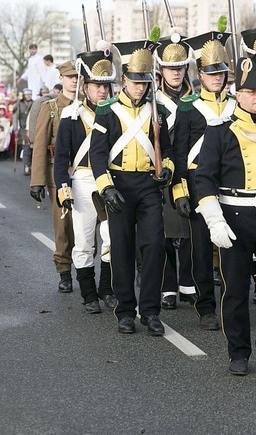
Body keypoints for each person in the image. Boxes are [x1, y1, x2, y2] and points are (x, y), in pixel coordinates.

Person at [195, 53, 256, 377]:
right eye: (252, 93)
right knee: (235, 288)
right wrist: (214, 220)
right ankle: (238, 351)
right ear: (238, 95)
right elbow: (204, 177)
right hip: (233, 218)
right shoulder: (220, 130)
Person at [89, 36, 174, 336]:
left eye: (145, 83)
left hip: (149, 185)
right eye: (135, 82)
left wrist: (169, 170)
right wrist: (106, 187)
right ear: (124, 80)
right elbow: (97, 154)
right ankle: (125, 310)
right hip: (119, 184)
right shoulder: (107, 111)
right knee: (122, 249)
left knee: (154, 246)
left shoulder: (158, 111)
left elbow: (169, 149)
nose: (140, 88)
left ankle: (150, 311)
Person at [171, 25, 234, 327]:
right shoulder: (188, 107)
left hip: (231, 183)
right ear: (200, 75)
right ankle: (206, 306)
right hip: (197, 183)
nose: (216, 78)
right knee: (199, 247)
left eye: (220, 73)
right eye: (210, 73)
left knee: (231, 245)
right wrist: (180, 190)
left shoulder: (237, 106)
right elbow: (179, 152)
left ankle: (231, 303)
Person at [52, 44, 116, 314]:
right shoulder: (71, 116)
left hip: (111, 181)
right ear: (84, 87)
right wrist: (63, 190)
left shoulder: (116, 113)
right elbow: (61, 159)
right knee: (84, 241)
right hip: (83, 181)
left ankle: (107, 289)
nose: (102, 91)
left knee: (112, 239)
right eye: (96, 86)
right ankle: (89, 294)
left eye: (105, 86)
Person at [155, 31, 198, 310]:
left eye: (180, 67)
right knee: (164, 233)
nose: (175, 73)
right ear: (161, 69)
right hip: (161, 172)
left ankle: (189, 282)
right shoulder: (152, 101)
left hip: (190, 169)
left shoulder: (196, 99)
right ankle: (167, 286)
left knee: (192, 231)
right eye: (170, 68)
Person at [30, 61, 77, 293]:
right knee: (63, 224)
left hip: (85, 172)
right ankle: (64, 271)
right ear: (61, 78)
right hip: (57, 173)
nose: (74, 80)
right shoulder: (50, 108)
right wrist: (37, 180)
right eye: (70, 77)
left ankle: (89, 268)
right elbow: (39, 144)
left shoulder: (88, 105)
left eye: (78, 76)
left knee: (89, 226)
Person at [12, 88, 33, 175]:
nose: (28, 96)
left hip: (33, 129)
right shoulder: (19, 104)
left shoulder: (34, 103)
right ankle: (26, 166)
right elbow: (15, 117)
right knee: (26, 149)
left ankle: (33, 166)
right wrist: (16, 129)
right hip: (23, 129)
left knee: (34, 149)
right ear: (24, 95)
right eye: (27, 94)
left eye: (30, 94)